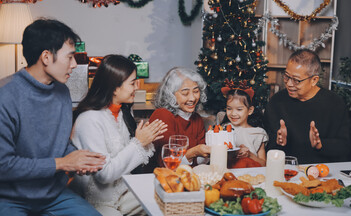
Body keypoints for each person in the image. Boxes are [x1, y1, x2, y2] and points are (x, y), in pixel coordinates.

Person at [0, 19, 105, 216]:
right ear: (46, 57)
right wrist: (64, 163)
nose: (74, 64)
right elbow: (3, 165)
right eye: (70, 57)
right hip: (9, 198)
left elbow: (59, 144)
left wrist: (80, 159)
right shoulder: (5, 96)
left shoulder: (62, 92)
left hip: (53, 195)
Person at [71, 55, 167, 216]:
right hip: (98, 200)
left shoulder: (118, 113)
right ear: (115, 87)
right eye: (132, 83)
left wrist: (145, 141)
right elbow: (105, 174)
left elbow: (124, 156)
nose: (137, 87)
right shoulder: (89, 120)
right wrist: (138, 142)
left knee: (165, 198)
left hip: (122, 192)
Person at [264, 49, 351, 164]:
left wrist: (320, 144)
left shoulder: (334, 103)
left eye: (296, 80)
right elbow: (268, 149)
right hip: (288, 171)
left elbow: (345, 146)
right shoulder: (276, 102)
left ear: (314, 80)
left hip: (324, 171)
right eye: (286, 76)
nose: (289, 84)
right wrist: (278, 143)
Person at [146, 67, 211, 170]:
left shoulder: (196, 118)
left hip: (188, 177)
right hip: (159, 178)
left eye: (196, 91)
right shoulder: (162, 115)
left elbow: (198, 162)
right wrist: (194, 152)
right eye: (185, 93)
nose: (192, 98)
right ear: (170, 95)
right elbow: (166, 165)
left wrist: (211, 150)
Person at [220, 87, 268, 168]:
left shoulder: (258, 134)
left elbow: (263, 164)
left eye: (239, 109)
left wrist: (249, 155)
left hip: (251, 175)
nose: (233, 113)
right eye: (229, 108)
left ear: (250, 110)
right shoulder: (223, 130)